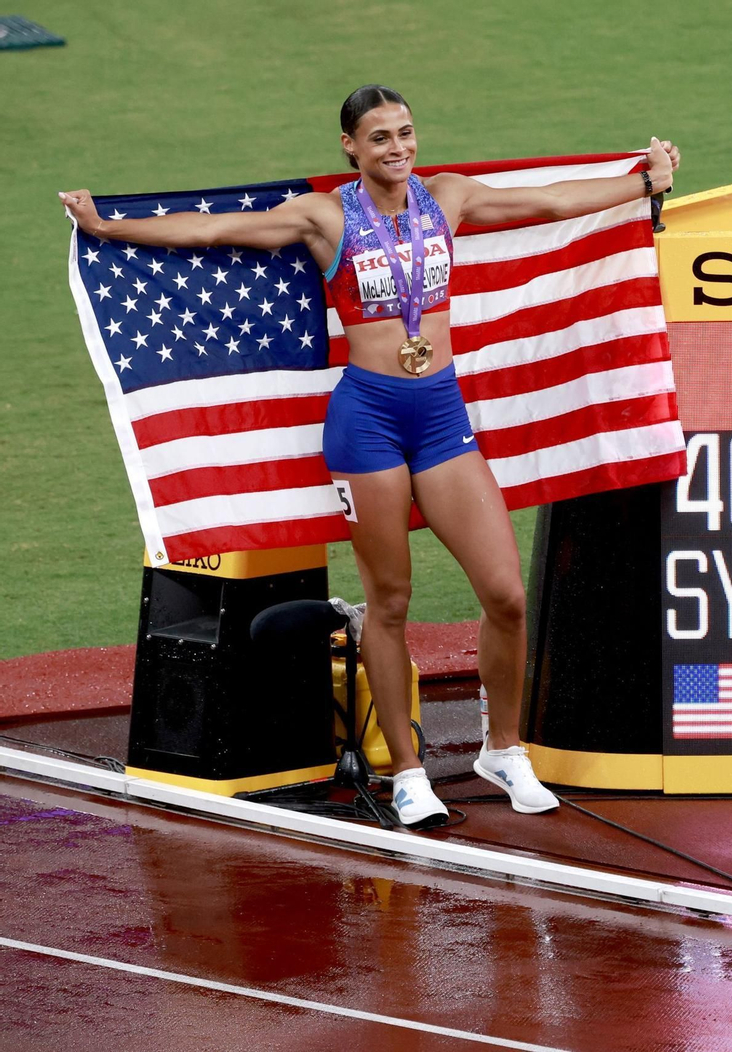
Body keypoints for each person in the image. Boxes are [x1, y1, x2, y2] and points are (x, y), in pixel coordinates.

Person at [60, 84, 680, 829]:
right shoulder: (326, 216)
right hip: (368, 423)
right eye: (380, 137)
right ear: (350, 146)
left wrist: (643, 183)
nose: (398, 148)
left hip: (442, 415)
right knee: (388, 602)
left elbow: (548, 202)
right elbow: (213, 230)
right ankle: (409, 772)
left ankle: (504, 749)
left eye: (406, 133)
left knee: (506, 595)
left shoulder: (446, 197)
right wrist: (107, 226)